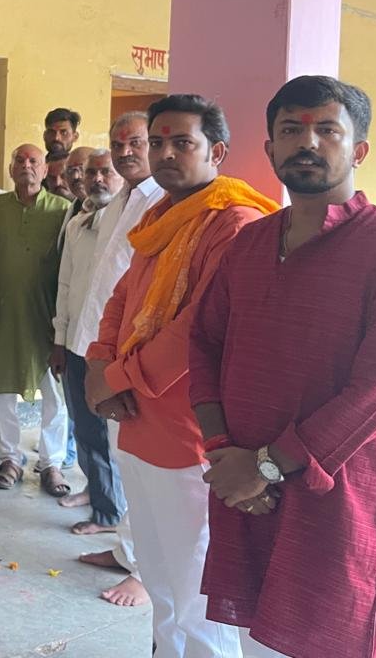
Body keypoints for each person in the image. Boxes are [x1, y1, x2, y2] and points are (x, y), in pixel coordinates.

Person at [191, 76, 376, 658]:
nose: (308, 142)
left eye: (327, 130)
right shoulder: (248, 244)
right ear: (270, 148)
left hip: (334, 499)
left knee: (326, 636)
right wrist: (224, 452)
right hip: (245, 491)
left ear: (358, 149)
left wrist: (267, 466)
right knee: (257, 639)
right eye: (292, 129)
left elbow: (374, 389)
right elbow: (204, 343)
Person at [86, 94, 278, 658]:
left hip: (189, 435)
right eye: (158, 142)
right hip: (137, 423)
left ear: (216, 151)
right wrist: (99, 365)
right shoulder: (158, 220)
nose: (166, 154)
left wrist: (116, 377)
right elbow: (121, 298)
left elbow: (200, 328)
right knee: (160, 580)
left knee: (196, 594)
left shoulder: (235, 223)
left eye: (182, 143)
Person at [73, 111, 162, 608]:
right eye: (117, 142)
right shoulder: (118, 200)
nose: (125, 151)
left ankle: (146, 572)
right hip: (100, 348)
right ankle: (126, 550)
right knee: (121, 457)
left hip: (133, 357)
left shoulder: (161, 200)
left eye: (135, 142)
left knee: (141, 467)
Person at [0, 143, 72, 494]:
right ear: (10, 169)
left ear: (45, 169)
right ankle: (9, 458)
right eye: (19, 160)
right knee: (3, 388)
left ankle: (52, 464)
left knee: (54, 393)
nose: (26, 166)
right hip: (4, 311)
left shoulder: (62, 210)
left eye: (34, 161)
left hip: (48, 314)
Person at [50, 150, 124, 537]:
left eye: (105, 172)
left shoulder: (130, 222)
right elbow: (65, 285)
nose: (97, 179)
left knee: (114, 434)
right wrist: (59, 341)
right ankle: (100, 497)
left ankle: (111, 512)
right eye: (91, 172)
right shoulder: (77, 224)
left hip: (113, 348)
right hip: (77, 342)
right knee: (85, 428)